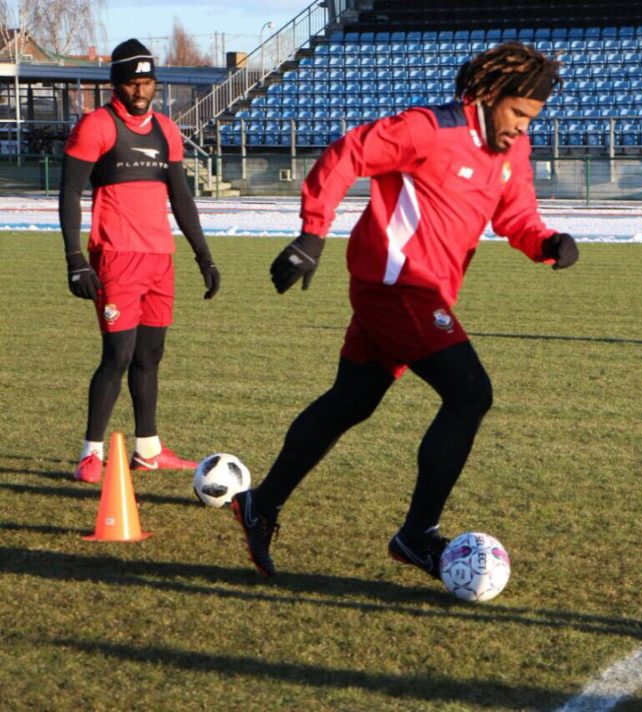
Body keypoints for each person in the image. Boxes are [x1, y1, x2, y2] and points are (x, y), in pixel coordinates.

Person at [232, 42, 579, 579]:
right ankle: (417, 535)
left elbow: (516, 216)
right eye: (517, 113)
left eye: (531, 118)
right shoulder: (428, 129)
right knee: (470, 393)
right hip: (397, 288)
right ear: (489, 95)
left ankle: (262, 502)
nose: (521, 127)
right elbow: (347, 152)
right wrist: (312, 234)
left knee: (351, 401)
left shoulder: (513, 150)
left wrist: (548, 242)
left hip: (420, 293)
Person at [61, 39, 221, 483]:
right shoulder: (96, 126)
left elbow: (181, 197)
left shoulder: (166, 130)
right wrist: (75, 259)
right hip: (116, 257)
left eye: (148, 82)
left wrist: (204, 256)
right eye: (133, 82)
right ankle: (91, 454)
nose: (140, 90)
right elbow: (70, 191)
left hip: (159, 258)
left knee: (150, 355)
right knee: (118, 355)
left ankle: (148, 450)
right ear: (117, 84)